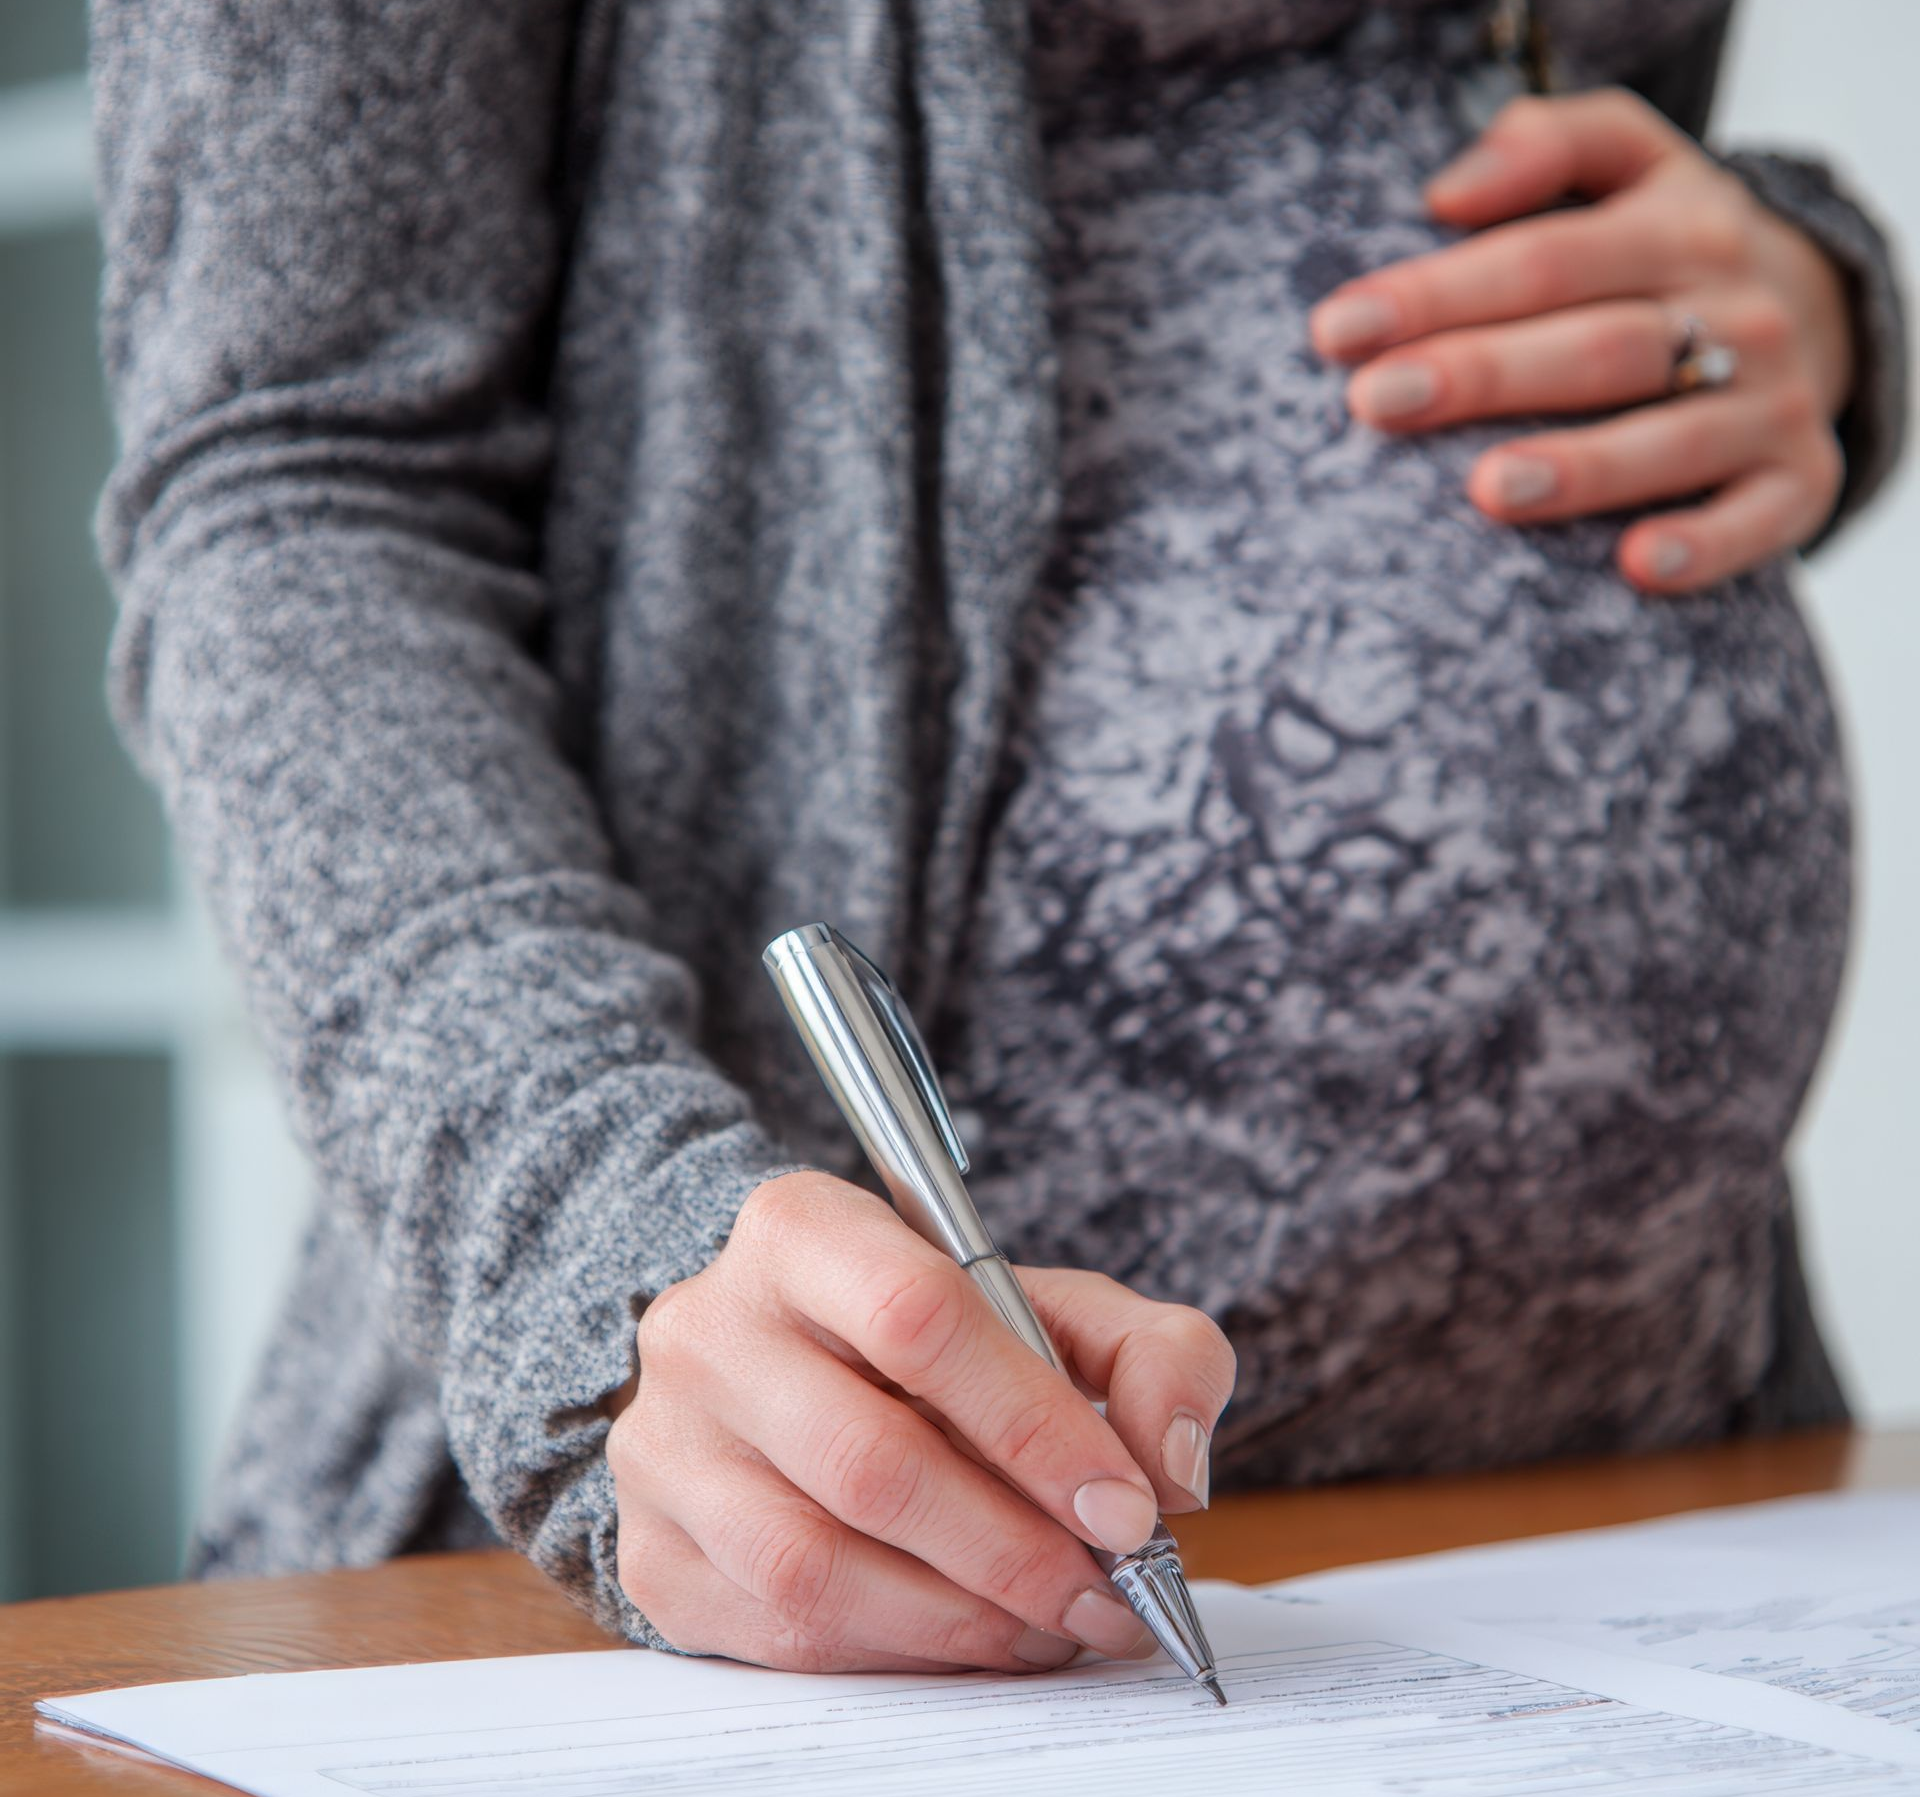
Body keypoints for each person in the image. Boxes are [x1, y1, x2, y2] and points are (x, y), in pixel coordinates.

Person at [88, 0, 1906, 1676]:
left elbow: (1588, 158)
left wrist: (1813, 292)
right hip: (791, 1583)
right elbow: (296, 480)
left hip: (1649, 1483)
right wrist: (594, 1239)